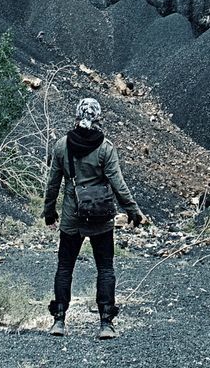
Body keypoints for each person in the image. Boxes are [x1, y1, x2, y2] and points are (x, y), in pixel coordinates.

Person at [43, 97, 145, 340]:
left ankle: (59, 321)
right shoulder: (106, 148)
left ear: (77, 116)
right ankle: (106, 324)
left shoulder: (62, 146)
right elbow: (118, 184)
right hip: (100, 217)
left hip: (71, 217)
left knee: (65, 267)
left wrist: (49, 212)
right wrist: (133, 211)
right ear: (98, 118)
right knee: (105, 268)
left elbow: (53, 184)